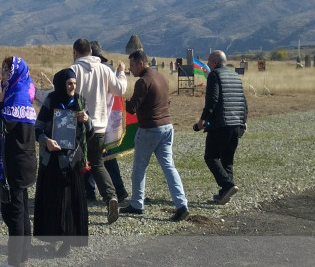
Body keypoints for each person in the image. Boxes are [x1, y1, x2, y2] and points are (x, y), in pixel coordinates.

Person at [121, 50, 189, 221]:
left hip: (149, 129)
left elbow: (131, 108)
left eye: (132, 65)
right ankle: (182, 204)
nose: (131, 69)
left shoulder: (143, 82)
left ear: (140, 64)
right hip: (167, 126)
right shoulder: (162, 78)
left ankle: (137, 204)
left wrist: (120, 100)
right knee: (169, 167)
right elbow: (167, 102)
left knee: (138, 168)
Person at [70, 38, 129, 223]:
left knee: (74, 164)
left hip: (79, 125)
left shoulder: (74, 71)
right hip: (100, 127)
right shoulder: (105, 70)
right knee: (97, 164)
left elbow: (63, 93)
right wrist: (121, 73)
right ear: (91, 51)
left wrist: (39, 94)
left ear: (75, 52)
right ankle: (110, 196)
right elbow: (119, 89)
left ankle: (74, 201)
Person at [34, 68, 91, 254]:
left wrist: (87, 120)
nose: (72, 86)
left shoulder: (80, 101)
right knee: (52, 200)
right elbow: (38, 128)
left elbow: (89, 133)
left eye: (74, 82)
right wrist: (46, 141)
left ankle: (67, 242)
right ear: (60, 84)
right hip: (52, 159)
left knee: (70, 201)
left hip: (73, 160)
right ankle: (51, 240)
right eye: (69, 83)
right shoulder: (51, 101)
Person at [0, 56, 37, 267]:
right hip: (24, 160)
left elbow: (2, 129)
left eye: (6, 70)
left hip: (15, 162)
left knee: (15, 213)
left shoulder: (16, 96)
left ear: (15, 72)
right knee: (22, 211)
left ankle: (14, 262)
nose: (2, 74)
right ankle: (23, 260)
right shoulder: (25, 90)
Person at [194, 49, 248, 204]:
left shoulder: (215, 75)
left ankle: (228, 185)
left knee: (211, 157)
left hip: (221, 124)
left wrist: (203, 120)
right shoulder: (235, 76)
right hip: (236, 124)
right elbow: (243, 102)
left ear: (215, 62)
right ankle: (225, 193)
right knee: (227, 160)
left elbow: (212, 100)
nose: (208, 64)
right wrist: (243, 121)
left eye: (209, 61)